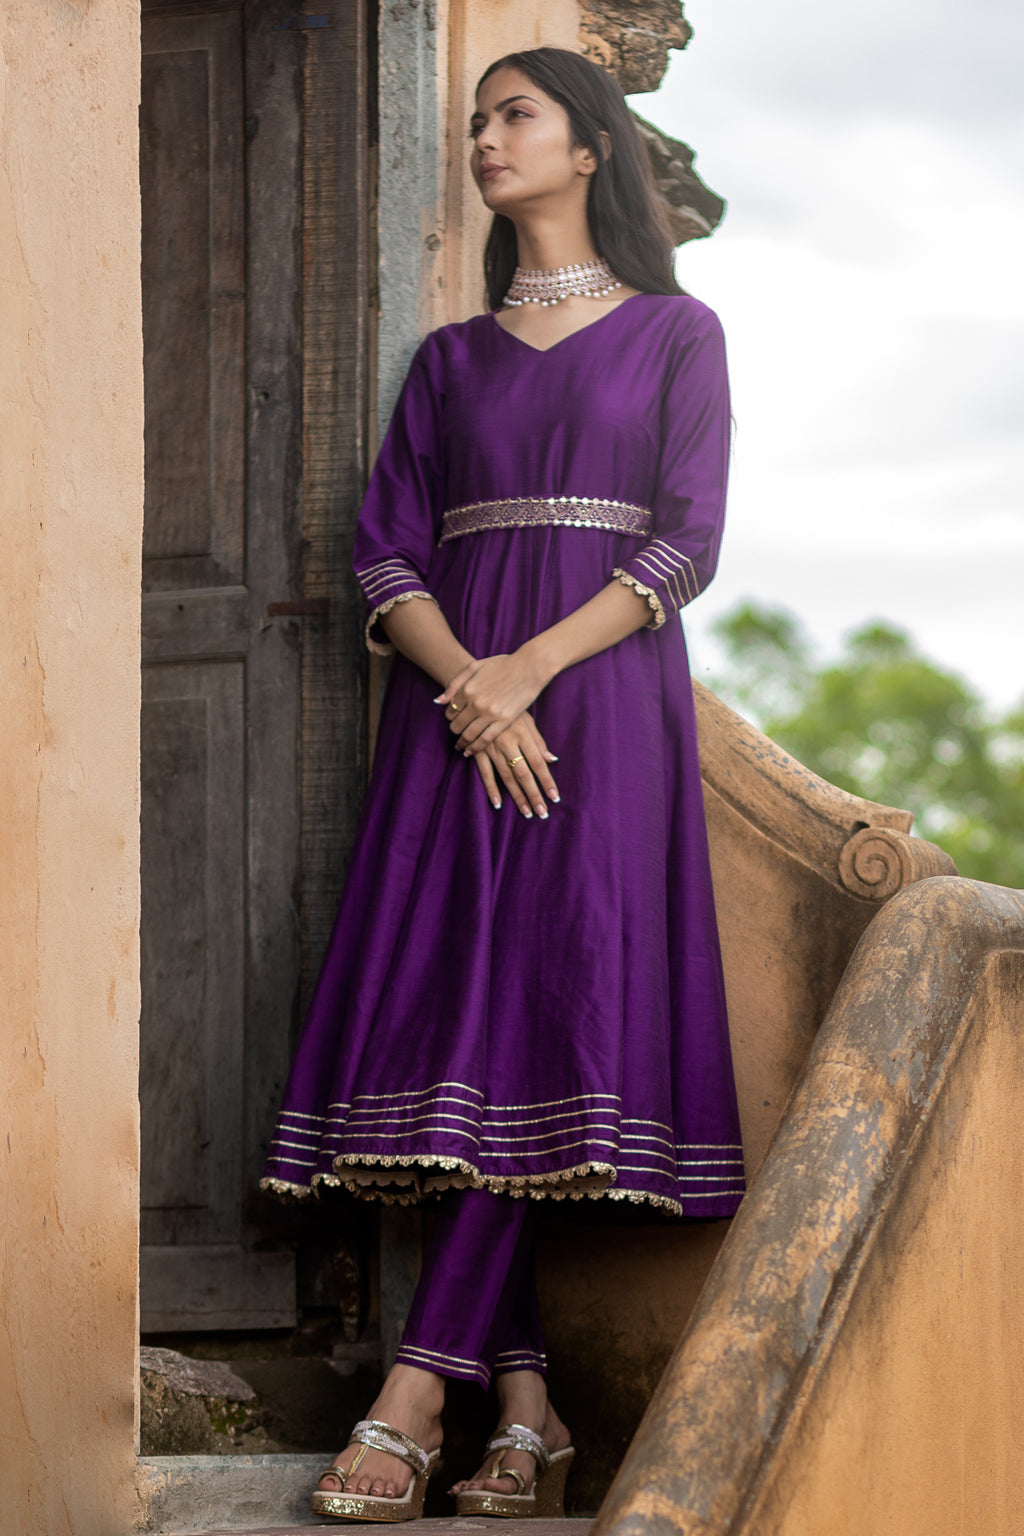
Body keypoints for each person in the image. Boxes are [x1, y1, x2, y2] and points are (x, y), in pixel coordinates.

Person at [260, 45, 746, 1523]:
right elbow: (384, 555)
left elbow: (684, 543)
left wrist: (523, 674)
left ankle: (415, 1396)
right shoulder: (450, 364)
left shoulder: (677, 332)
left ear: (591, 143)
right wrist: (468, 687)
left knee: (544, 1016)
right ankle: (524, 1414)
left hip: (596, 714)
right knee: (475, 1028)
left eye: (512, 115)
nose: (483, 139)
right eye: (473, 122)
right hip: (450, 713)